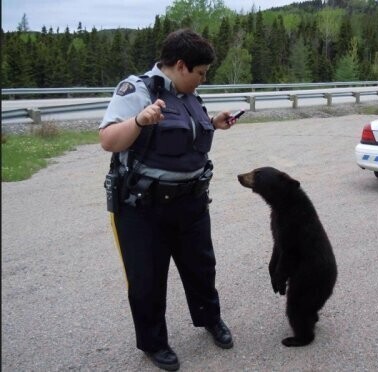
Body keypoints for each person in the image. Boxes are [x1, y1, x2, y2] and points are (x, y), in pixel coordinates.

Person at [99, 28, 238, 371]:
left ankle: (210, 320)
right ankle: (153, 343)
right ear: (180, 65)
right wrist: (138, 120)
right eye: (201, 73)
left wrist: (213, 122)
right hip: (143, 208)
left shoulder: (188, 94)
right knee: (146, 279)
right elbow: (108, 140)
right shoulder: (137, 90)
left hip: (190, 203)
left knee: (201, 268)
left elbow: (182, 134)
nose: (203, 81)